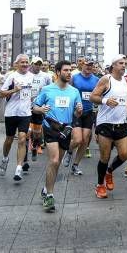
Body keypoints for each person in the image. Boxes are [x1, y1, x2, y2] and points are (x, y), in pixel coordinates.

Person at [33, 60, 83, 212]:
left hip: (65, 129)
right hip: (50, 127)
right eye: (66, 70)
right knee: (54, 160)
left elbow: (76, 113)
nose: (69, 73)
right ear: (58, 72)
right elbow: (34, 107)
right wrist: (41, 110)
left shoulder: (74, 91)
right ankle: (50, 195)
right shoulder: (47, 89)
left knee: (57, 163)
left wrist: (78, 111)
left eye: (70, 70)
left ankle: (46, 188)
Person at [90, 55, 127, 199]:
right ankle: (100, 185)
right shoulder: (106, 79)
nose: (123, 65)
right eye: (120, 63)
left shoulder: (125, 80)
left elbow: (121, 100)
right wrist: (106, 100)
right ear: (113, 65)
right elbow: (92, 97)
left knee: (125, 154)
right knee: (105, 157)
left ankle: (110, 171)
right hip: (105, 124)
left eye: (125, 63)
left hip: (121, 123)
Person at [0, 54, 35, 181]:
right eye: (22, 62)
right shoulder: (12, 76)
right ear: (17, 64)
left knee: (22, 139)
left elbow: (32, 94)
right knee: (9, 139)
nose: (25, 64)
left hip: (25, 113)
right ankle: (5, 158)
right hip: (11, 113)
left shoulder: (31, 77)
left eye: (26, 62)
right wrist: (14, 90)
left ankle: (18, 168)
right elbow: (1, 93)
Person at [68, 56, 100, 176]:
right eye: (87, 65)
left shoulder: (96, 80)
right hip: (77, 112)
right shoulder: (74, 77)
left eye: (91, 65)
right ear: (82, 65)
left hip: (89, 112)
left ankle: (75, 165)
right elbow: (69, 92)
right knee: (77, 139)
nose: (89, 67)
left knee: (85, 140)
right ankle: (70, 151)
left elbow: (97, 95)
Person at [27, 57, 53, 160]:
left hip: (39, 107)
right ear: (32, 64)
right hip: (26, 106)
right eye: (36, 64)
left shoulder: (46, 76)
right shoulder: (27, 75)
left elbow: (51, 90)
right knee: (27, 132)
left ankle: (34, 146)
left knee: (37, 133)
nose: (38, 66)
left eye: (40, 64)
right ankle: (25, 158)